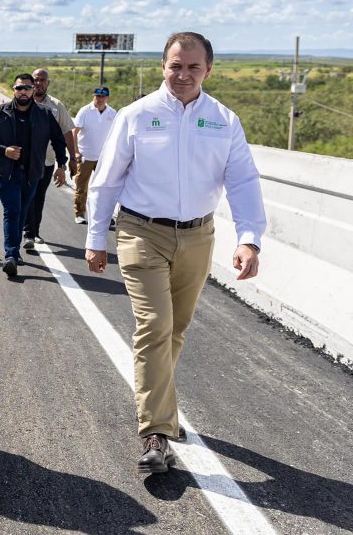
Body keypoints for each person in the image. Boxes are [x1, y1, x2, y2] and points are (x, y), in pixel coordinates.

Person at [85, 31, 266, 474]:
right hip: (141, 233)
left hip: (198, 237)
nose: (183, 75)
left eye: (193, 67)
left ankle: (160, 409)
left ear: (208, 70)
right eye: (175, 66)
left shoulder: (224, 121)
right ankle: (156, 432)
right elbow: (106, 180)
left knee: (176, 330)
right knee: (155, 326)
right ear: (163, 66)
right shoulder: (137, 115)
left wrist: (248, 238)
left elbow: (243, 181)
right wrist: (95, 238)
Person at [0, 73, 68, 277]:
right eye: (19, 88)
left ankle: (15, 252)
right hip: (6, 174)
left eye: (27, 88)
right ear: (14, 90)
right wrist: (4, 150)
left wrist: (62, 164)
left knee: (22, 212)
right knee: (12, 211)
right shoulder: (0, 112)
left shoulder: (44, 114)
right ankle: (10, 255)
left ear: (33, 90)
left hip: (32, 174)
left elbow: (58, 140)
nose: (23, 92)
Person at [22, 68, 76, 250]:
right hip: (26, 161)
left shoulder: (56, 106)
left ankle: (34, 232)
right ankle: (28, 233)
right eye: (36, 80)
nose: (39, 83)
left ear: (48, 83)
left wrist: (71, 159)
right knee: (28, 195)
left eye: (42, 80)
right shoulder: (23, 102)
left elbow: (67, 132)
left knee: (39, 196)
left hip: (47, 161)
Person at [71, 86, 117, 224]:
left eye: (103, 97)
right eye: (97, 96)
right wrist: (76, 152)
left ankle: (104, 215)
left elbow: (116, 134)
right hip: (86, 156)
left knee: (104, 188)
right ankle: (80, 213)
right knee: (82, 186)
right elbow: (74, 132)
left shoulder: (112, 113)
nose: (100, 99)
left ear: (107, 98)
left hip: (103, 158)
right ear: (93, 97)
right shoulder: (85, 111)